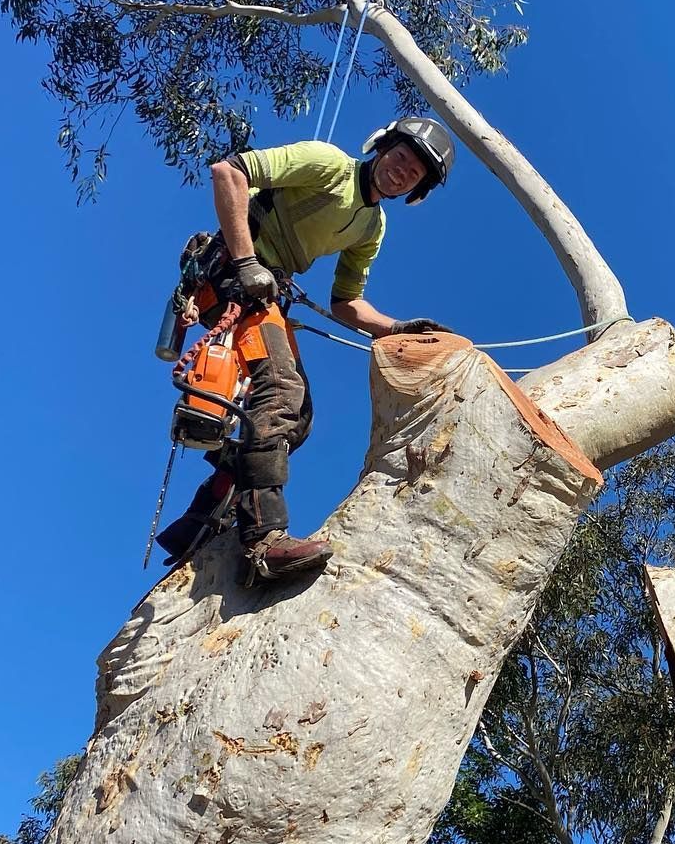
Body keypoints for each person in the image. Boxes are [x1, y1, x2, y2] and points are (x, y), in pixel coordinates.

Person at [155, 116, 457, 585]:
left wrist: (394, 327)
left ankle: (211, 505)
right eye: (401, 157)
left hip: (265, 290)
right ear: (383, 146)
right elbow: (229, 172)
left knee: (298, 418)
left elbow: (346, 301)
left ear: (418, 188)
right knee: (279, 390)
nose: (402, 170)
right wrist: (247, 261)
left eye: (415, 172)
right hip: (231, 273)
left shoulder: (372, 226)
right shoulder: (328, 162)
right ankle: (263, 539)